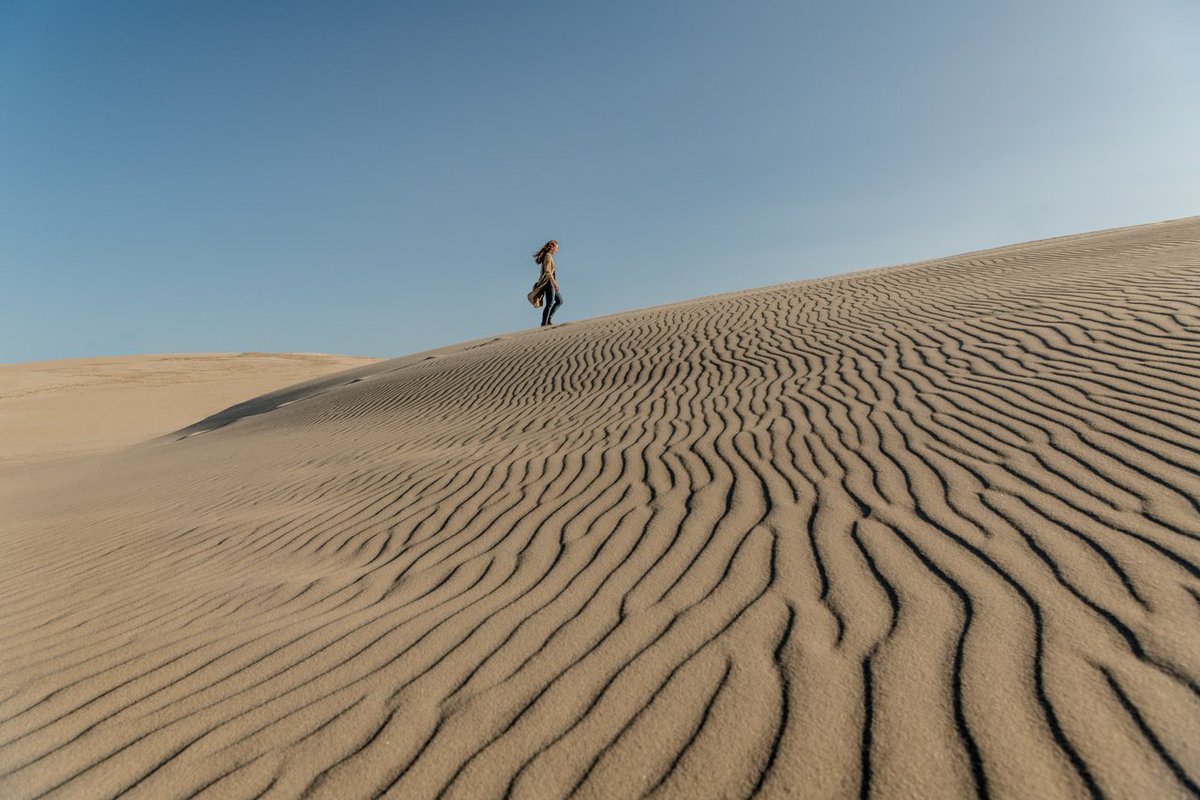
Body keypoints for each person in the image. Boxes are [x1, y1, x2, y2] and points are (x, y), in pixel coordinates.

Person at [531, 240, 563, 326]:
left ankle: (548, 320)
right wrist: (554, 282)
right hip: (549, 283)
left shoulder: (548, 256)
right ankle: (544, 323)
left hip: (550, 282)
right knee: (550, 303)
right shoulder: (548, 257)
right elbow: (548, 272)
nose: (557, 250)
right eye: (556, 248)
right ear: (552, 247)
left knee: (559, 301)